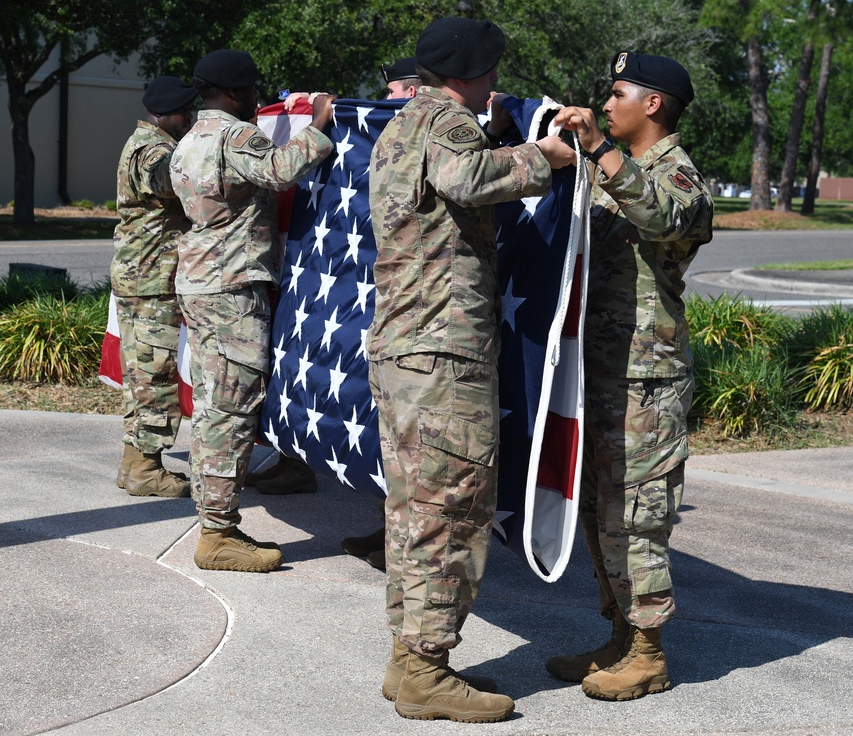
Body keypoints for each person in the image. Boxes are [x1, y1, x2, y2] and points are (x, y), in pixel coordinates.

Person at [368, 17, 576, 723]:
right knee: (449, 511)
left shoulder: (399, 126)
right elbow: (466, 175)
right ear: (472, 73)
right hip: (442, 352)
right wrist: (543, 155)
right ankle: (427, 668)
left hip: (402, 349)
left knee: (411, 512)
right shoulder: (450, 128)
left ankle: (408, 659)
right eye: (490, 71)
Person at [546, 51, 713, 701]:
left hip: (647, 381)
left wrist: (600, 153)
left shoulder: (679, 176)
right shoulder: (609, 168)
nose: (605, 104)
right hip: (598, 373)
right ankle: (619, 633)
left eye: (618, 93)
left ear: (653, 103)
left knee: (637, 518)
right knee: (597, 512)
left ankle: (649, 653)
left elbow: (666, 220)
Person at [170, 49, 335, 573]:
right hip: (230, 288)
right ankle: (216, 534)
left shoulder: (189, 140)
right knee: (230, 410)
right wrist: (318, 126)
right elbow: (283, 169)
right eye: (253, 91)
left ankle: (217, 520)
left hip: (200, 282)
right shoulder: (235, 135)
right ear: (238, 93)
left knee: (215, 405)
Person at [340, 56, 422, 572]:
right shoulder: (399, 135)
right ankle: (395, 531)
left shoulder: (435, 134)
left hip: (428, 324)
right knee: (395, 442)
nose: (385, 102)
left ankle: (407, 545)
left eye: (392, 92)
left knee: (416, 449)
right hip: (397, 320)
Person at [112, 75, 198, 499]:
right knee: (155, 377)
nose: (192, 119)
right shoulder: (153, 151)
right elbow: (172, 178)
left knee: (141, 377)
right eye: (187, 113)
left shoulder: (145, 141)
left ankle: (134, 464)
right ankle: (147, 469)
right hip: (151, 282)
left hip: (141, 278)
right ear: (167, 114)